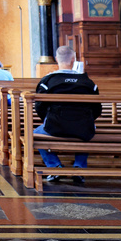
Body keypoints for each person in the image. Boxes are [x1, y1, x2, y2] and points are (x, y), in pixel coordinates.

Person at [34, 44, 101, 185]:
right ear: (73, 61)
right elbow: (97, 108)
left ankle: (54, 167)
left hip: (54, 126)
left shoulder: (47, 81)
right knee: (89, 129)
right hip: (83, 127)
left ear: (57, 60)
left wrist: (50, 120)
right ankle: (79, 168)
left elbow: (39, 107)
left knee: (34, 134)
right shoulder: (88, 83)